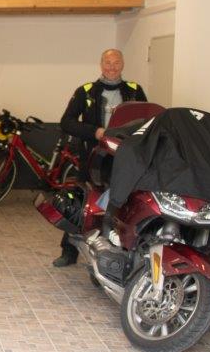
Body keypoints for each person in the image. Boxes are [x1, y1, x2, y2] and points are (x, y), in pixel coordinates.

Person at [52, 49, 147, 266]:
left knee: (121, 205)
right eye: (108, 62)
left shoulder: (135, 91)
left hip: (124, 160)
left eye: (116, 62)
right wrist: (94, 132)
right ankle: (69, 252)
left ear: (123, 64)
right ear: (101, 65)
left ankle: (116, 253)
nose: (112, 67)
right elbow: (67, 122)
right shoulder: (86, 91)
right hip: (92, 159)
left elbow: (147, 120)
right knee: (81, 203)